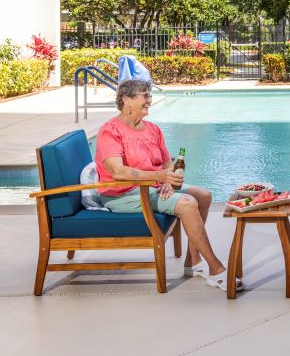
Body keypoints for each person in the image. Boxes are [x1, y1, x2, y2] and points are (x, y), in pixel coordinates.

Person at [95, 79, 241, 292]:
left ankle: (192, 260)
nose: (149, 100)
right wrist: (159, 177)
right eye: (144, 95)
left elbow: (167, 163)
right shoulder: (110, 131)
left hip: (151, 187)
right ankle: (215, 268)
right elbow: (118, 171)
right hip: (123, 194)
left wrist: (169, 181)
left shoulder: (152, 130)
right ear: (126, 100)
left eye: (149, 95)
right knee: (187, 203)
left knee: (204, 195)